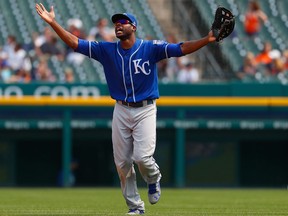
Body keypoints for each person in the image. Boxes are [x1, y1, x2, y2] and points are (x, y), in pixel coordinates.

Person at [35, 3, 216, 215]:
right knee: (122, 163)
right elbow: (76, 43)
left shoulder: (150, 48)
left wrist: (207, 39)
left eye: (123, 22)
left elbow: (181, 48)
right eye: (116, 23)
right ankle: (136, 207)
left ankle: (154, 178)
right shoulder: (107, 50)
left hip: (145, 109)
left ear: (134, 27)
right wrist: (53, 23)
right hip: (121, 109)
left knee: (142, 158)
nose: (118, 25)